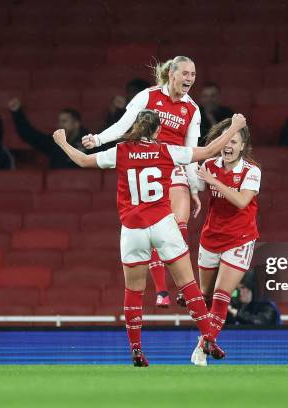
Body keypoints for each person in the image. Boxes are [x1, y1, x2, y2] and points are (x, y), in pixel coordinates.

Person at [52, 108, 247, 366]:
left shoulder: (120, 152)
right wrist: (234, 128)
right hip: (163, 224)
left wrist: (63, 142)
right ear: (157, 131)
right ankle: (208, 337)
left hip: (132, 229)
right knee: (188, 285)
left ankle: (136, 348)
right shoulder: (167, 150)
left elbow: (83, 160)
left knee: (134, 291)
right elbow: (209, 151)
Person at [82, 56, 201, 308]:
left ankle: (182, 288)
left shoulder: (192, 109)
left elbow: (192, 150)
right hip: (144, 163)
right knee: (154, 222)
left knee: (177, 224)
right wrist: (99, 139)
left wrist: (194, 187)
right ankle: (161, 291)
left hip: (173, 165)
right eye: (185, 73)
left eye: (193, 74)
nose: (190, 79)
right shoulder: (147, 96)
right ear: (172, 74)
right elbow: (123, 125)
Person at [175, 118, 262, 366]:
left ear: (242, 145)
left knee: (222, 296)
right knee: (204, 297)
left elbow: (241, 201)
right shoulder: (210, 164)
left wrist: (214, 181)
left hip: (240, 239)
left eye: (233, 141)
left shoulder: (251, 171)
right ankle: (209, 339)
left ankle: (203, 347)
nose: (228, 146)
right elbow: (195, 183)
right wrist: (191, 188)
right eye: (225, 141)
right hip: (211, 237)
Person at [7, 98, 95, 168]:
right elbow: (30, 136)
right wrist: (17, 113)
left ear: (76, 124)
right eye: (59, 121)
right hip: (57, 186)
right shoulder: (54, 142)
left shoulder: (91, 142)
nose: (60, 125)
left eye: (64, 121)